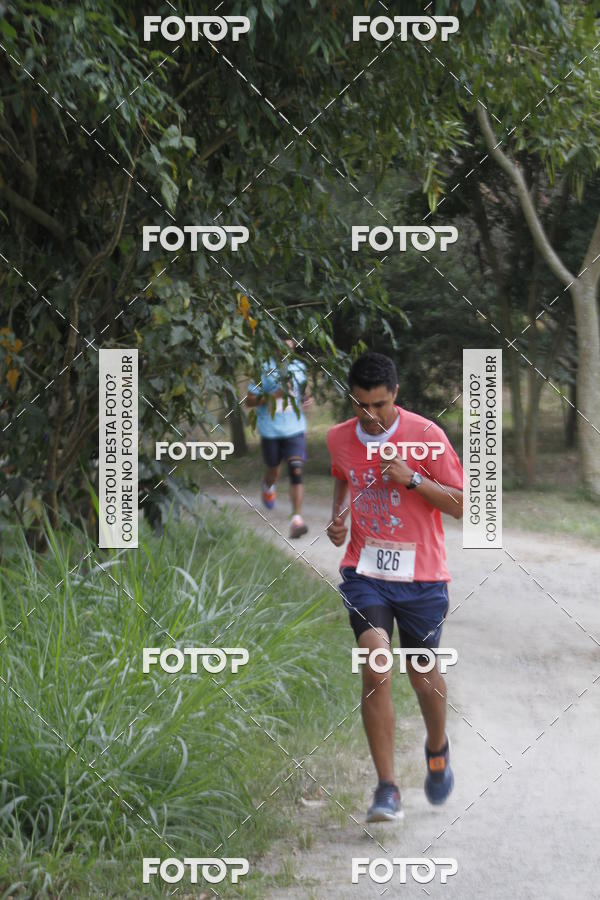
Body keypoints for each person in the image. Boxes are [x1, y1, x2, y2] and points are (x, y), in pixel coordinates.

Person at [326, 351, 463, 822]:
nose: (371, 415)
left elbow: (465, 505)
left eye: (380, 405)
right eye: (362, 405)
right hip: (365, 574)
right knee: (376, 666)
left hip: (422, 577)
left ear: (395, 395)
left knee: (424, 677)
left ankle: (437, 746)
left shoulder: (426, 436)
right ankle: (387, 788)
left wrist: (413, 480)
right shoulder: (338, 439)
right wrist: (338, 516)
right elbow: (343, 477)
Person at [246, 341, 312, 539]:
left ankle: (296, 519)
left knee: (296, 470)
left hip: (296, 429)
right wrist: (275, 395)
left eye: (289, 345)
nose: (285, 349)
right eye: (281, 345)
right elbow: (249, 401)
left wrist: (307, 399)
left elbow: (302, 393)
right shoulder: (263, 368)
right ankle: (268, 485)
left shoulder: (298, 367)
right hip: (271, 430)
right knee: (274, 470)